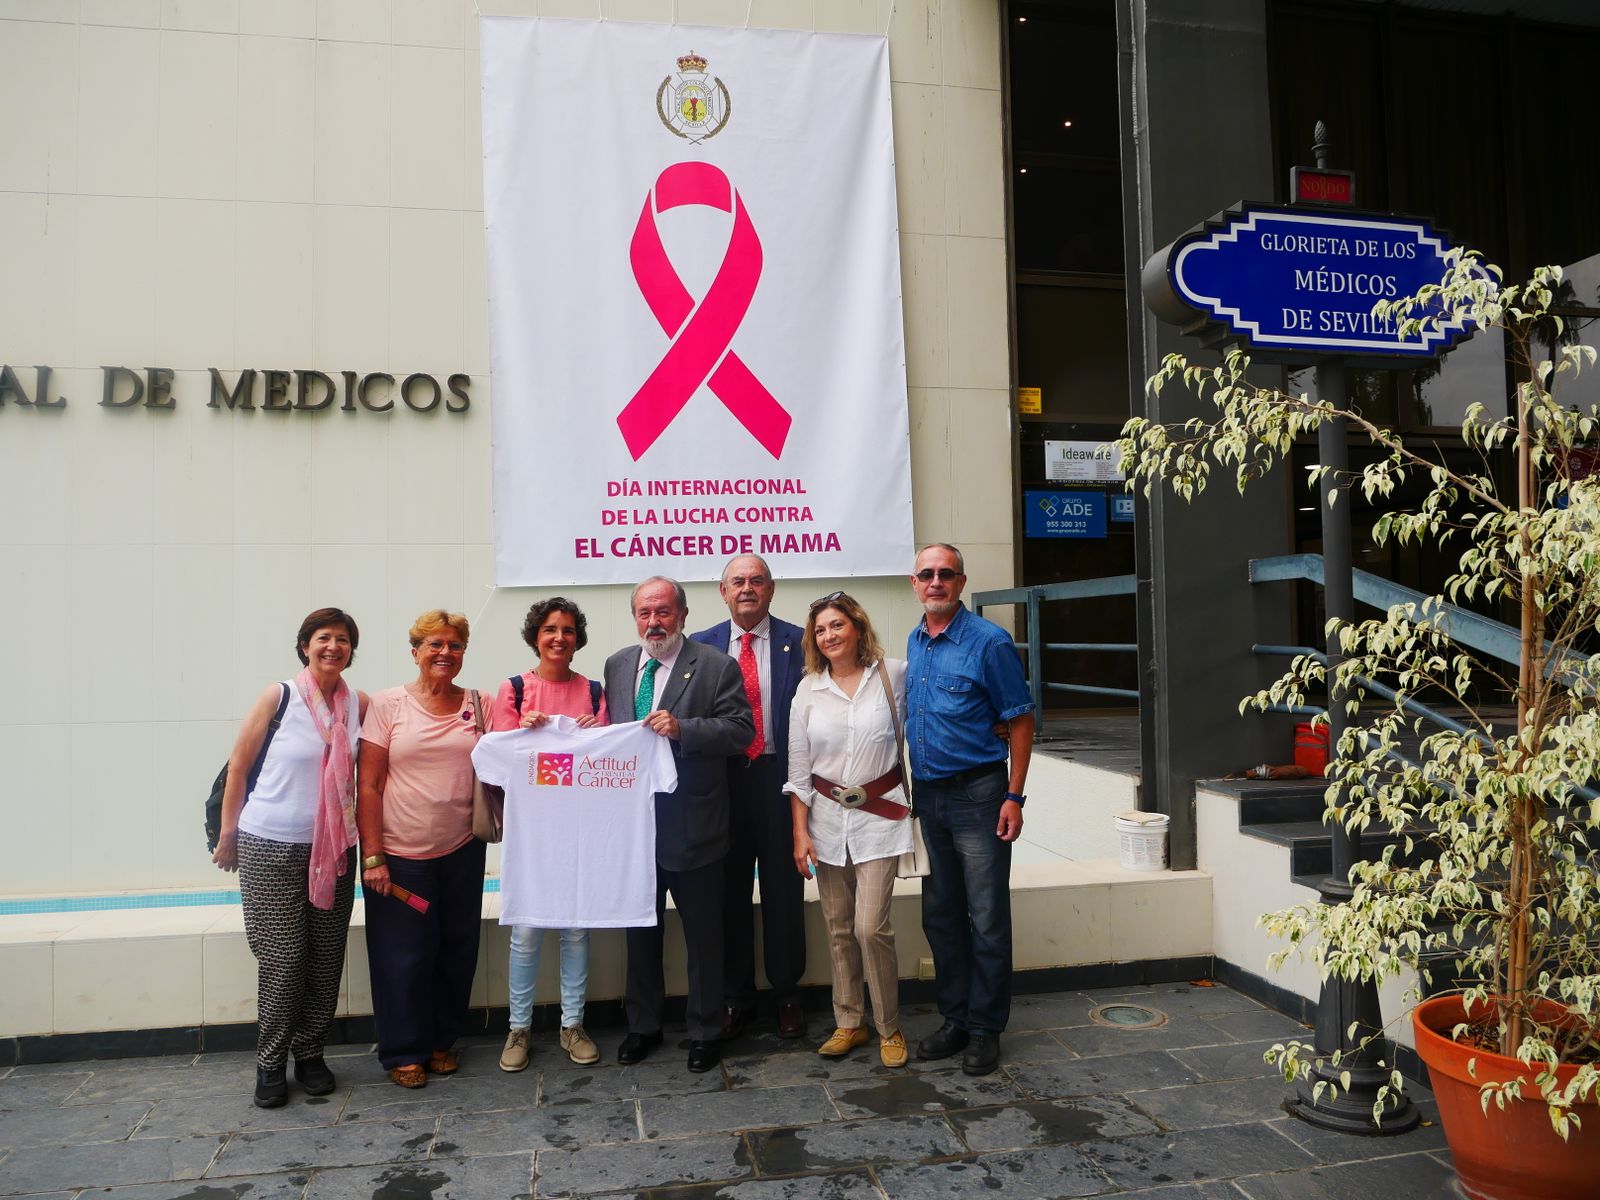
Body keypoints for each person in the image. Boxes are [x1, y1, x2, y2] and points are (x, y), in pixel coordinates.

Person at [212, 608, 368, 1109]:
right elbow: (238, 768)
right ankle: (270, 1062)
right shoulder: (278, 696)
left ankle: (311, 1054)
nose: (333, 647)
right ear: (305, 645)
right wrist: (228, 834)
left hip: (335, 846)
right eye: (323, 638)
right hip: (270, 843)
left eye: (342, 640)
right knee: (284, 959)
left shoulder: (357, 704)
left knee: (325, 960)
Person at [603, 576, 754, 1072]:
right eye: (645, 612)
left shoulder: (715, 666)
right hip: (635, 829)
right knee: (640, 933)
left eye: (663, 611)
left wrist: (683, 728)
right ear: (635, 617)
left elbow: (740, 731)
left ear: (683, 615)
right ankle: (642, 1026)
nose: (654, 622)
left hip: (696, 825)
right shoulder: (619, 664)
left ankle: (706, 1031)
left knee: (704, 938)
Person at [905, 544, 1036, 1076]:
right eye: (926, 574)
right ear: (913, 583)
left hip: (980, 795)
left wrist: (1015, 795)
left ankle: (985, 1029)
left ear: (960, 582)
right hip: (928, 797)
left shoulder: (989, 642)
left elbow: (1021, 720)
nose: (935, 582)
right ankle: (955, 1018)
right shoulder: (915, 643)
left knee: (985, 916)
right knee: (941, 916)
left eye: (945, 574)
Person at [356, 610, 487, 1090]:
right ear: (415, 651)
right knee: (402, 956)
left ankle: (439, 1042)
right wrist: (372, 856)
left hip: (462, 849)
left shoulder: (480, 704)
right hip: (399, 854)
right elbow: (367, 784)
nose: (444, 653)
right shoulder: (388, 704)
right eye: (434, 645)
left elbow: (510, 758)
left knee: (456, 949)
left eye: (453, 645)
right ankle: (403, 1050)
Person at [787, 592, 913, 1068]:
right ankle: (848, 1022)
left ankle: (889, 1026)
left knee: (869, 927)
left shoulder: (892, 676)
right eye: (820, 630)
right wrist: (800, 833)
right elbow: (798, 772)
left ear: (857, 628)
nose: (829, 635)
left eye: (837, 625)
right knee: (838, 928)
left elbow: (928, 720)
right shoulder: (808, 690)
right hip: (824, 820)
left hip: (881, 818)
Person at [689, 554, 807, 1041]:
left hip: (779, 780)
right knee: (728, 893)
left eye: (757, 581)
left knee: (784, 891)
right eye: (737, 581)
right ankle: (736, 996)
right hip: (723, 784)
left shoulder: (801, 642)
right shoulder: (701, 646)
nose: (747, 588)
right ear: (722, 591)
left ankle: (787, 995)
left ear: (771, 589)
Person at [488, 597, 608, 1072]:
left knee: (576, 930)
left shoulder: (596, 693)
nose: (559, 638)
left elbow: (608, 766)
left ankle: (572, 1024)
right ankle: (518, 1028)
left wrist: (595, 733)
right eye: (550, 630)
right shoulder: (514, 690)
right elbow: (497, 761)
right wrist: (523, 731)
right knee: (527, 930)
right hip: (532, 831)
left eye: (568, 630)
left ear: (578, 637)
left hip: (580, 831)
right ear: (534, 636)